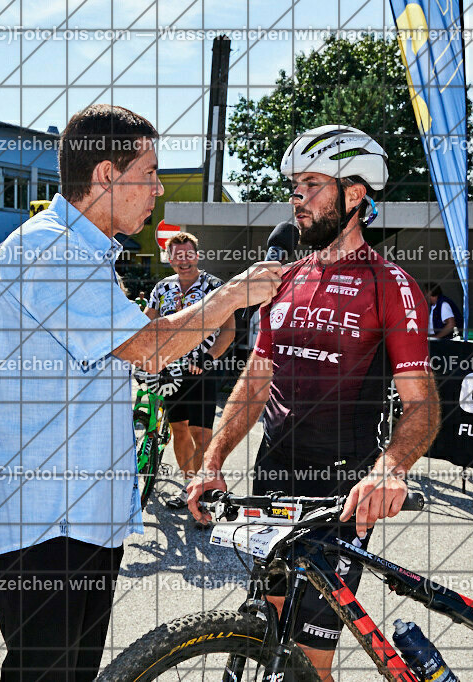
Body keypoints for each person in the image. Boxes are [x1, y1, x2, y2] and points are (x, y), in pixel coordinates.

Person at [0, 104, 281, 682]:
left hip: (77, 516)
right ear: (106, 175)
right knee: (45, 673)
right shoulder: (52, 248)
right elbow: (147, 348)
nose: (158, 189)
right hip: (46, 521)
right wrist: (231, 296)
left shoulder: (82, 251)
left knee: (73, 672)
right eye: (150, 173)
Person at [187, 125, 441, 682]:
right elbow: (256, 379)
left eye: (311, 184)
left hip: (341, 493)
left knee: (308, 661)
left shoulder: (389, 284)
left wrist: (390, 471)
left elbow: (422, 405)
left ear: (355, 195)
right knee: (265, 636)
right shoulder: (284, 280)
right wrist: (212, 460)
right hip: (273, 480)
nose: (296, 197)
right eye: (294, 185)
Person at [145, 232, 235, 513]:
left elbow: (229, 330)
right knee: (179, 430)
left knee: (201, 434)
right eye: (177, 256)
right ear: (169, 258)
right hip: (170, 371)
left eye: (188, 254)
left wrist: (209, 357)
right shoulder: (162, 288)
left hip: (202, 370)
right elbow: (147, 324)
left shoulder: (214, 287)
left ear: (197, 255)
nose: (183, 261)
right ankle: (188, 489)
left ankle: (204, 493)